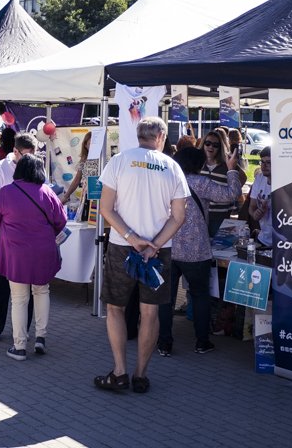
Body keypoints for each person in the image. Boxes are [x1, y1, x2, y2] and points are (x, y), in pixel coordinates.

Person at [95, 116, 188, 394]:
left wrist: (132, 238)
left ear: (139, 136)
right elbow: (178, 217)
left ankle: (120, 371)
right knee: (150, 313)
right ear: (160, 137)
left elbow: (106, 208)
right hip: (158, 252)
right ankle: (140, 375)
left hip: (122, 246)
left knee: (115, 309)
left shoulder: (119, 161)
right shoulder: (173, 167)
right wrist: (154, 244)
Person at [158, 146, 242, 356]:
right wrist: (231, 169)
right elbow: (231, 194)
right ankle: (202, 342)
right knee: (200, 296)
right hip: (195, 250)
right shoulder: (200, 182)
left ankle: (164, 343)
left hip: (166, 245)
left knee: (165, 299)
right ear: (198, 164)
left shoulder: (164, 182)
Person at [0, 155, 65, 361]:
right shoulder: (48, 192)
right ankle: (41, 337)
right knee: (42, 291)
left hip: (15, 253)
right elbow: (61, 221)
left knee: (19, 298)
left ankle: (19, 346)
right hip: (43, 250)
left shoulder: (6, 193)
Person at [0, 132, 38, 342]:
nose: (29, 159)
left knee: (28, 281)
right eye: (25, 155)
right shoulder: (1, 167)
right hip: (6, 229)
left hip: (30, 231)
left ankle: (23, 326)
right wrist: (10, 207)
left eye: (32, 155)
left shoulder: (35, 165)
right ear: (15, 152)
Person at [199, 129, 233, 237]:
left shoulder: (226, 165)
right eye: (208, 143)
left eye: (215, 145)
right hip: (200, 216)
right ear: (203, 144)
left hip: (220, 216)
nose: (211, 147)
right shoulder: (197, 165)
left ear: (220, 147)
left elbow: (241, 178)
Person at [60, 131, 98, 207]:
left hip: (100, 197)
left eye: (95, 144)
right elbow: (77, 179)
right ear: (85, 145)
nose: (93, 147)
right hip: (86, 198)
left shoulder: (104, 160)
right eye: (90, 144)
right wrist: (65, 196)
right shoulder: (83, 160)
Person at [248, 147, 274, 246]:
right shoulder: (259, 178)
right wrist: (256, 214)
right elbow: (252, 207)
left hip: (281, 242)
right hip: (263, 239)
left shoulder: (284, 183)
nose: (264, 166)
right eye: (262, 162)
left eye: (268, 162)